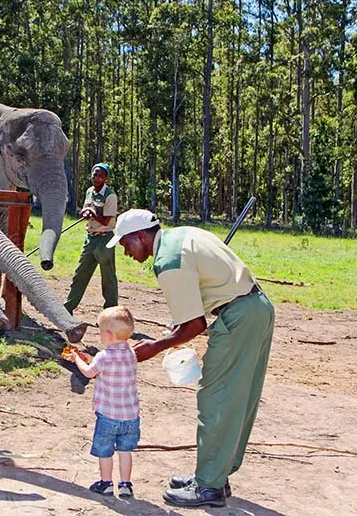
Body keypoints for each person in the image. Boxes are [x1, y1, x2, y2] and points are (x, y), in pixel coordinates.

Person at [106, 209, 275, 508]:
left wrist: (155, 346)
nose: (126, 252)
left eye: (125, 245)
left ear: (141, 237)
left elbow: (194, 326)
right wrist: (182, 323)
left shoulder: (168, 261)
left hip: (237, 318)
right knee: (238, 399)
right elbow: (197, 304)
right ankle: (215, 475)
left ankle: (208, 486)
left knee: (216, 399)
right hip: (256, 308)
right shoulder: (181, 236)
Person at [72, 306, 140, 498]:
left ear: (109, 335)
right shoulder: (131, 354)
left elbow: (88, 372)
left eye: (101, 333)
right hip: (130, 417)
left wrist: (77, 358)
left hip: (108, 416)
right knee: (125, 451)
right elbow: (110, 368)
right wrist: (90, 361)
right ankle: (126, 485)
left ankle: (106, 483)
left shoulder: (103, 356)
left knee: (105, 451)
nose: (100, 337)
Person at [64, 163, 118, 314]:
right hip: (91, 238)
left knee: (108, 278)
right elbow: (84, 212)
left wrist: (93, 213)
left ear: (106, 178)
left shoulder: (110, 195)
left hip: (105, 239)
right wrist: (85, 213)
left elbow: (107, 220)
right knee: (80, 274)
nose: (97, 178)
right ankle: (68, 308)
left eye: (101, 176)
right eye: (95, 175)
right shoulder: (89, 191)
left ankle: (110, 312)